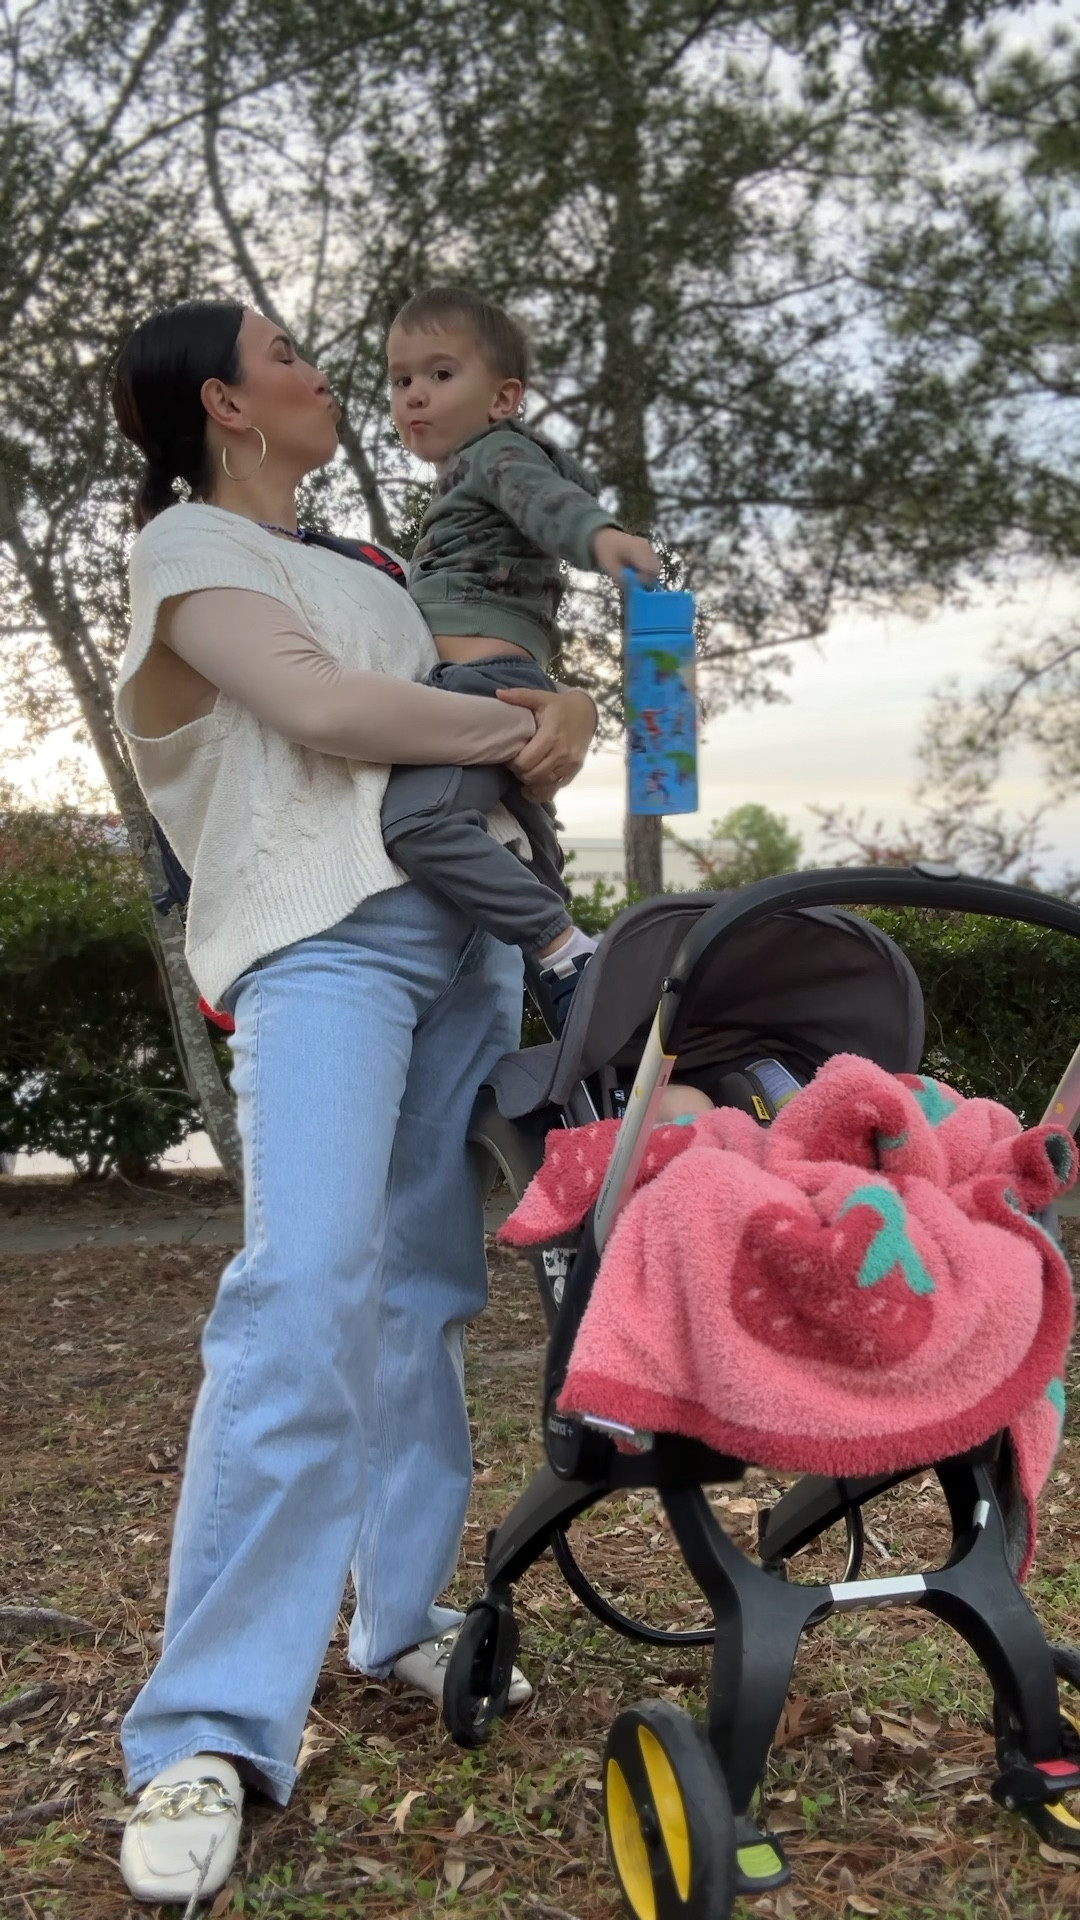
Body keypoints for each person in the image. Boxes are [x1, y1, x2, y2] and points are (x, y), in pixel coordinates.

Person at [108, 298, 598, 1906]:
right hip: (324, 946)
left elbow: (489, 721)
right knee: (303, 1291)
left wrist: (560, 716)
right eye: (296, 360)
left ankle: (396, 1625)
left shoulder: (381, 568)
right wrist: (523, 726)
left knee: (422, 1299)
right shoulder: (190, 552)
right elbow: (326, 716)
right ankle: (206, 1728)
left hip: (466, 948)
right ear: (223, 406)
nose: (331, 380)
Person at [383, 285, 661, 1030]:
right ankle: (599, 1025)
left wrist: (605, 542)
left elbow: (546, 501)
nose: (414, 396)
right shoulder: (471, 471)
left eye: (441, 375)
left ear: (504, 398)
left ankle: (566, 950)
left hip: (481, 689)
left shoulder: (496, 454)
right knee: (537, 867)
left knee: (416, 827)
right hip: (497, 687)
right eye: (401, 379)